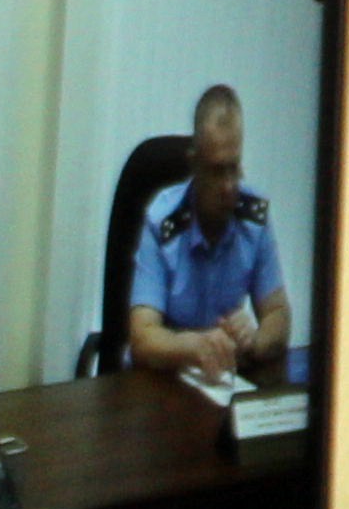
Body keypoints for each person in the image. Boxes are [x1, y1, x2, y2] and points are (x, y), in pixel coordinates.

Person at [125, 81, 296, 381]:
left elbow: (278, 313)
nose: (229, 186)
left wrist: (254, 340)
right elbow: (142, 336)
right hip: (163, 384)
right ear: (195, 164)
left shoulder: (253, 220)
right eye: (217, 171)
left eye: (234, 168)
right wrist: (192, 346)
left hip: (222, 383)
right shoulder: (163, 224)